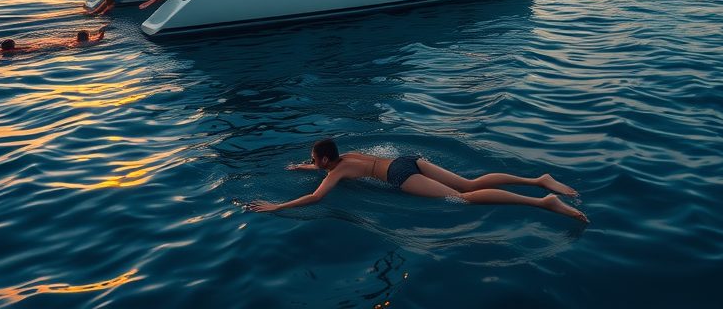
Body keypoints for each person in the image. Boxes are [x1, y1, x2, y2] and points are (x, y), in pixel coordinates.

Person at [245, 138, 588, 222]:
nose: (311, 164)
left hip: (400, 175)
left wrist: (279, 205)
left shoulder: (338, 172)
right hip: (408, 160)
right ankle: (538, 179)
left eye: (312, 161)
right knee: (468, 183)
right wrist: (303, 168)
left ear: (323, 160)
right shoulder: (345, 156)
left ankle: (542, 202)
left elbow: (317, 198)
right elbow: (324, 166)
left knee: (463, 198)